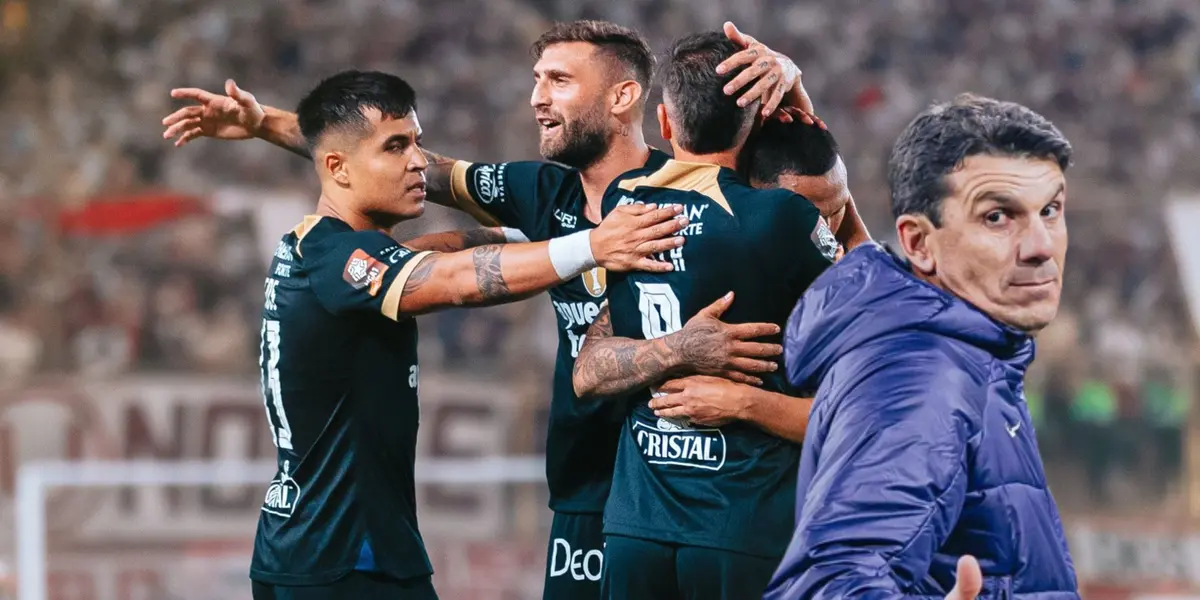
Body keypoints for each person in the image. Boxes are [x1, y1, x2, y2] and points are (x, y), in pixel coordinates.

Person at [161, 20, 813, 600]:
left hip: (688, 495)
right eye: (536, 79)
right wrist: (266, 125)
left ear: (622, 97)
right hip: (584, 495)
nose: (536, 97)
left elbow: (812, 197)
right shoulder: (541, 191)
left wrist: (791, 86)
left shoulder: (703, 200)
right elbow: (404, 167)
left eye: (558, 80)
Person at [247, 70, 689, 600]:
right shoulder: (333, 254)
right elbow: (455, 281)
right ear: (337, 168)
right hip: (344, 560)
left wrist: (556, 230)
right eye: (395, 147)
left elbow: (440, 252)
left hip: (310, 549)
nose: (418, 162)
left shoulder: (321, 251)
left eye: (416, 142)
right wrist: (592, 246)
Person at [569, 32, 858, 600]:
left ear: (665, 123)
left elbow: (589, 366)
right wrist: (795, 102)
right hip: (740, 522)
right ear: (754, 128)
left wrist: (674, 350)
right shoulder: (781, 218)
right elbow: (874, 287)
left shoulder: (624, 204)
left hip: (636, 524)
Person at [764, 94, 1080, 600]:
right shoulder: (924, 376)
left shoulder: (971, 354)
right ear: (918, 244)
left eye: (1050, 210)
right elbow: (833, 583)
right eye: (997, 217)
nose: (1041, 245)